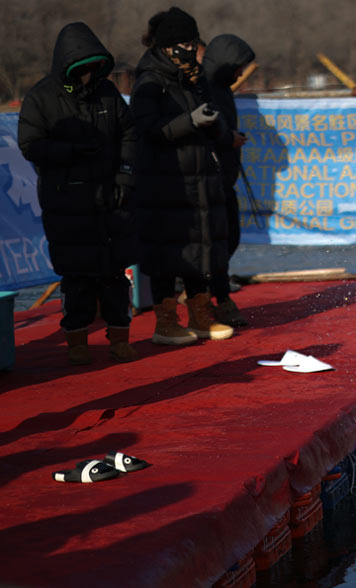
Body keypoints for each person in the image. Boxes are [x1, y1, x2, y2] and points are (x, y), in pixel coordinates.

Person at [18, 22, 138, 365]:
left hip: (112, 198)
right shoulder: (41, 97)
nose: (89, 76)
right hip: (67, 202)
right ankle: (77, 341)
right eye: (83, 69)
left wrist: (125, 177)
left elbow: (130, 134)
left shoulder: (108, 93)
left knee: (116, 274)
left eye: (94, 68)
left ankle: (119, 336)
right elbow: (31, 145)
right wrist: (70, 150)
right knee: (78, 276)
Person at [130, 7, 233, 345]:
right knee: (167, 252)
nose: (192, 48)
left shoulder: (195, 77)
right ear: (169, 46)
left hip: (199, 179)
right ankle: (166, 322)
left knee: (199, 249)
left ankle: (201, 315)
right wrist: (189, 122)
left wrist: (213, 122)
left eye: (193, 41)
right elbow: (147, 130)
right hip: (165, 180)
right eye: (186, 43)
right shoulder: (149, 81)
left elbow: (212, 124)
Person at [202, 34, 255, 328]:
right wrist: (227, 138)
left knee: (230, 236)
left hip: (226, 176)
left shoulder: (222, 88)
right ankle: (218, 299)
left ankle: (210, 292)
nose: (240, 74)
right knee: (217, 242)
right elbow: (204, 128)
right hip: (208, 177)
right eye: (238, 68)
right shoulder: (204, 87)